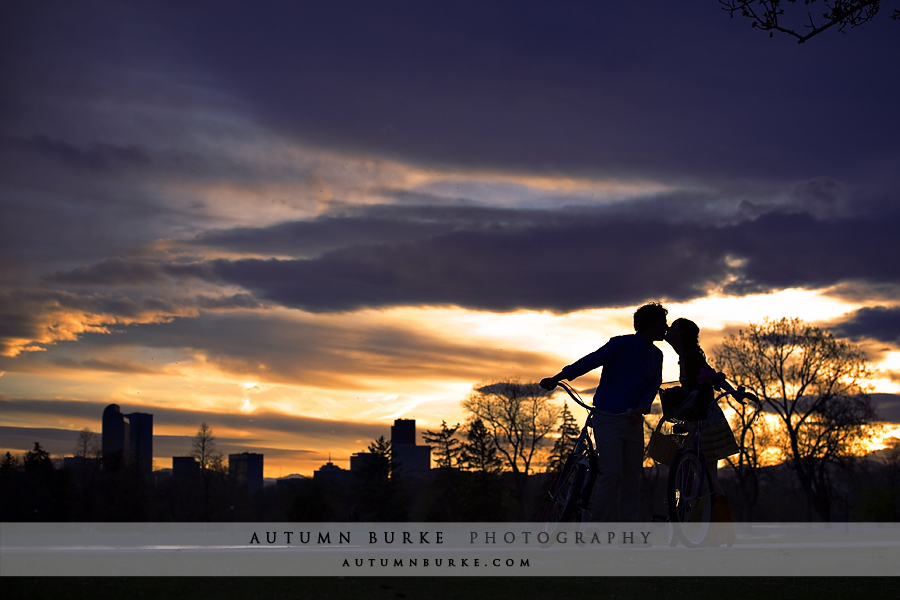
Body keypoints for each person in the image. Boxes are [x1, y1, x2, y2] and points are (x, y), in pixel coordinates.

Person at [540, 302, 668, 522]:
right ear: (649, 325)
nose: (665, 327)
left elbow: (653, 384)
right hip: (607, 418)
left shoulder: (656, 355)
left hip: (633, 422)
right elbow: (591, 361)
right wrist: (557, 378)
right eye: (661, 323)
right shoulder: (620, 344)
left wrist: (640, 409)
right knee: (611, 473)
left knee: (631, 477)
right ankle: (598, 528)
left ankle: (629, 529)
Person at [663, 317, 739, 533]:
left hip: (703, 418)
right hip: (699, 416)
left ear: (680, 335)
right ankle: (718, 527)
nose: (668, 330)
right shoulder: (687, 356)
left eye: (673, 328)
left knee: (707, 476)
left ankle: (718, 526)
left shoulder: (691, 356)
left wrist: (732, 391)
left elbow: (711, 376)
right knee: (706, 476)